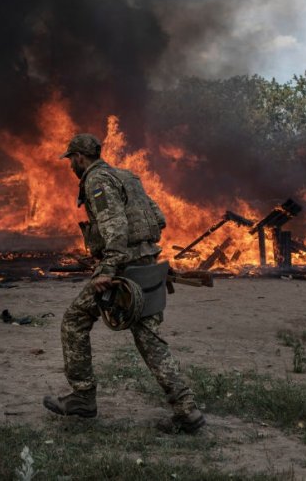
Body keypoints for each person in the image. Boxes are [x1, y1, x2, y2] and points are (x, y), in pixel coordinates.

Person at [43, 133, 205, 434]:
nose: (71, 166)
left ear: (79, 157)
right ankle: (187, 410)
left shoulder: (96, 180)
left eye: (71, 160)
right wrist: (142, 249)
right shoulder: (127, 176)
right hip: (146, 266)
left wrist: (106, 268)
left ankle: (83, 398)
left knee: (74, 320)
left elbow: (115, 228)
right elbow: (159, 218)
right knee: (149, 339)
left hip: (121, 272)